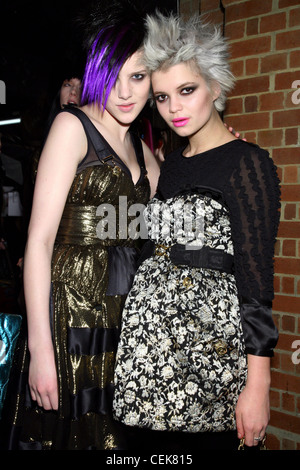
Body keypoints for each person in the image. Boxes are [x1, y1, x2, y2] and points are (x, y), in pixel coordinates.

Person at [113, 13, 281, 451]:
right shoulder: (169, 168)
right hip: (149, 350)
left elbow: (256, 277)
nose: (174, 109)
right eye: (164, 97)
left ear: (217, 88)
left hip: (210, 353)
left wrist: (258, 382)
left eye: (187, 91)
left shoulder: (249, 162)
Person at [0, 0, 160, 450]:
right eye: (115, 76)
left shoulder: (148, 154)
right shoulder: (72, 127)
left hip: (125, 319)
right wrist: (41, 351)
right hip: (70, 317)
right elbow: (39, 242)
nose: (125, 93)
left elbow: (173, 216)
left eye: (138, 76)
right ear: (97, 74)